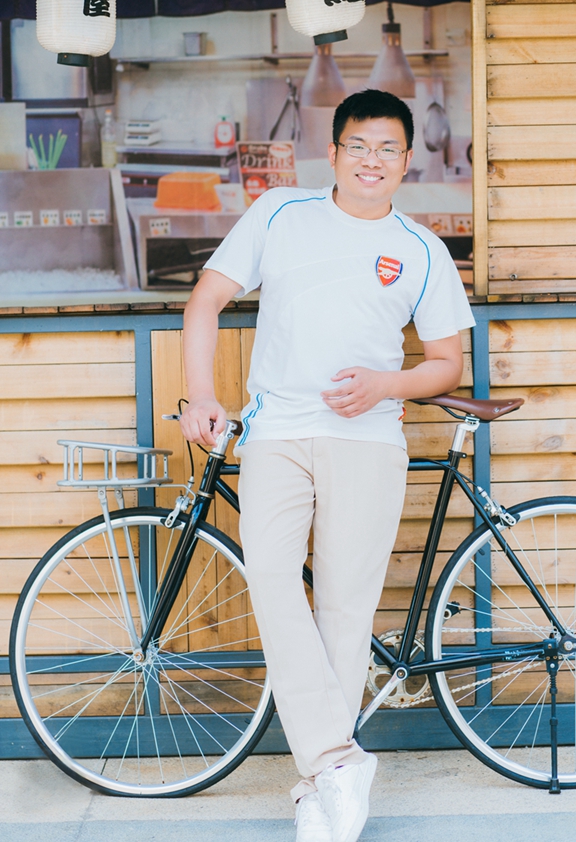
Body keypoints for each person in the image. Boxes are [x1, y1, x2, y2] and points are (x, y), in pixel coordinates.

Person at [180, 89, 475, 842]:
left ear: (406, 161)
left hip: (367, 441)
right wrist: (201, 394)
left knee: (344, 611)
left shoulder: (422, 249)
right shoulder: (281, 213)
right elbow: (206, 300)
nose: (372, 160)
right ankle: (339, 761)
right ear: (335, 153)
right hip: (276, 434)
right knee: (271, 578)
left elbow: (446, 363)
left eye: (387, 148)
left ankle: (322, 787)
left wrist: (385, 384)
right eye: (358, 146)